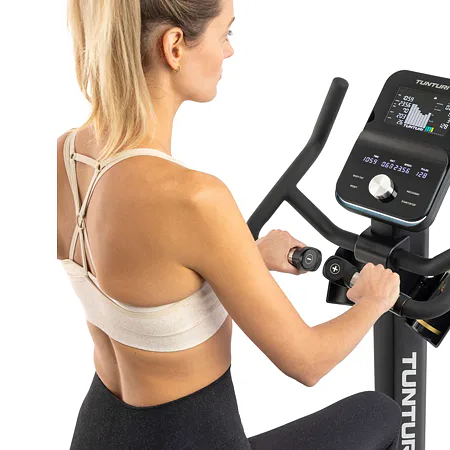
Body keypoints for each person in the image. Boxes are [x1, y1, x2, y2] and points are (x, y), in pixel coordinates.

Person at [57, 0, 403, 448]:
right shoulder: (195, 198)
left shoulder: (67, 155)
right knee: (380, 412)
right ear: (174, 47)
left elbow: (146, 283)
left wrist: (246, 258)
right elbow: (308, 362)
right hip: (192, 440)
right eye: (226, 34)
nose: (228, 51)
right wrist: (373, 301)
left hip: (100, 433)